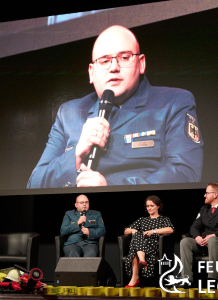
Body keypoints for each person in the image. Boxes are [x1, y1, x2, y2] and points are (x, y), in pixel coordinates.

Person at [27, 25, 203, 189]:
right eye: (104, 61)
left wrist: (110, 187)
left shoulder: (173, 102)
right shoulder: (69, 113)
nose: (114, 67)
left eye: (124, 58)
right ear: (91, 72)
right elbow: (34, 184)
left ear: (141, 63)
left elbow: (185, 174)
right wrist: (75, 155)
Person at [180, 183, 218, 286]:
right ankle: (186, 279)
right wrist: (197, 237)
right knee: (185, 242)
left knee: (212, 240)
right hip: (204, 242)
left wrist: (214, 235)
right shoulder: (204, 209)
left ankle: (212, 279)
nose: (204, 195)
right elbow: (194, 227)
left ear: (215, 195)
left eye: (207, 193)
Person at [124, 195, 174, 287]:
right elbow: (126, 230)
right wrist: (132, 230)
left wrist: (153, 231)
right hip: (140, 243)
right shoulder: (142, 220)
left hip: (153, 245)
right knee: (137, 235)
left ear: (158, 206)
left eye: (152, 206)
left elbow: (170, 229)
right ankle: (141, 261)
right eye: (147, 206)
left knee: (134, 246)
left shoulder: (163, 219)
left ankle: (135, 278)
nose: (149, 208)